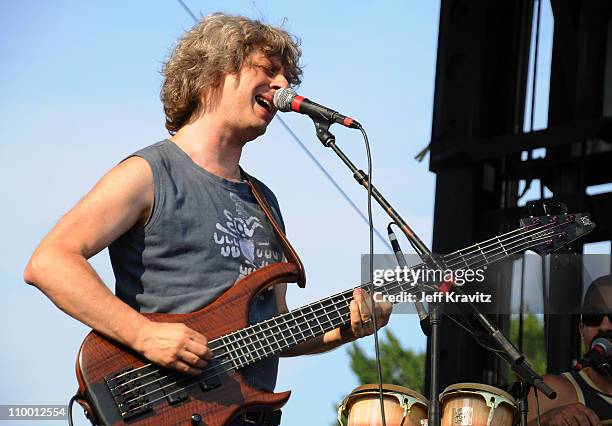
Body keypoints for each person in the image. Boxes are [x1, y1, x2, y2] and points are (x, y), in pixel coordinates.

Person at [23, 13, 392, 425]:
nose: (284, 86)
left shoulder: (264, 200)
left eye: (287, 77)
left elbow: (273, 329)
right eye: (269, 70)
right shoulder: (149, 173)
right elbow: (50, 262)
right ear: (216, 71)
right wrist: (144, 336)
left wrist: (348, 327)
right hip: (162, 409)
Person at [527, 275, 611, 425]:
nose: (604, 326)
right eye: (593, 316)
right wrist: (544, 421)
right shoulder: (549, 390)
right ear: (581, 329)